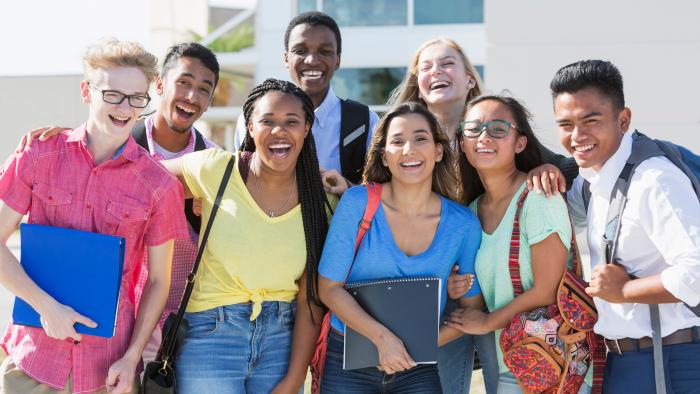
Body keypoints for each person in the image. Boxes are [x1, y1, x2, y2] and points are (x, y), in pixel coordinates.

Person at [0, 38, 187, 394]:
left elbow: (159, 282)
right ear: (87, 91)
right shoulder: (38, 155)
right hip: (34, 361)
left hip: (108, 371)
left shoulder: (158, 185)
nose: (124, 107)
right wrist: (46, 308)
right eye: (113, 94)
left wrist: (133, 356)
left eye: (136, 97)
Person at [19, 42, 221, 361]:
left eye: (203, 90)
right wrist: (64, 139)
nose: (191, 96)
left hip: (178, 320)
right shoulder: (116, 138)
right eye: (183, 82)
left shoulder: (215, 165)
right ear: (158, 86)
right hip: (110, 316)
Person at [159, 78, 331, 393]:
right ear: (250, 127)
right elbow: (140, 178)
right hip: (210, 335)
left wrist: (294, 379)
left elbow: (311, 302)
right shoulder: (216, 170)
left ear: (307, 128)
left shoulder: (321, 200)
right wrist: (82, 137)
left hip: (281, 340)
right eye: (267, 121)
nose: (279, 131)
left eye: (291, 121)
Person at [551, 60, 700, 393]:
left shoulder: (655, 179)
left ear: (623, 120)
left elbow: (697, 273)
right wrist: (542, 171)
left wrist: (624, 292)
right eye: (565, 124)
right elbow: (560, 213)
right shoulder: (592, 182)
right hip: (622, 362)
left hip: (676, 360)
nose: (577, 136)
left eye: (590, 120)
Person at [317, 101, 483, 393]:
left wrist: (411, 348)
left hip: (417, 368)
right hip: (346, 361)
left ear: (438, 150)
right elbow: (328, 288)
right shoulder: (357, 203)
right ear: (384, 157)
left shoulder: (463, 225)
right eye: (397, 141)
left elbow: (469, 311)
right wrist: (383, 340)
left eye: (420, 138)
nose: (409, 150)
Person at [444, 95, 590, 393]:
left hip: (555, 364)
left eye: (498, 128)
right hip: (509, 363)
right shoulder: (470, 211)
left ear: (519, 143)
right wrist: (459, 286)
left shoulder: (538, 196)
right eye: (473, 129)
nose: (484, 137)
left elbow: (548, 289)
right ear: (461, 142)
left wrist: (486, 322)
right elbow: (483, 294)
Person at [386, 37, 498, 394]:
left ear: (469, 79)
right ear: (417, 84)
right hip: (438, 291)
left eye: (447, 63)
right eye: (426, 67)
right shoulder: (404, 141)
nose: (436, 71)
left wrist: (547, 167)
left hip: (500, 288)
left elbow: (544, 161)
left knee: (506, 383)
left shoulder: (493, 128)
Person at [234, 11, 380, 191]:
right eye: (300, 51)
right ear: (286, 58)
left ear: (338, 60)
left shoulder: (365, 121)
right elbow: (241, 182)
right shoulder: (253, 119)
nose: (311, 60)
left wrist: (348, 189)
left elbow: (383, 191)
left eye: (325, 51)